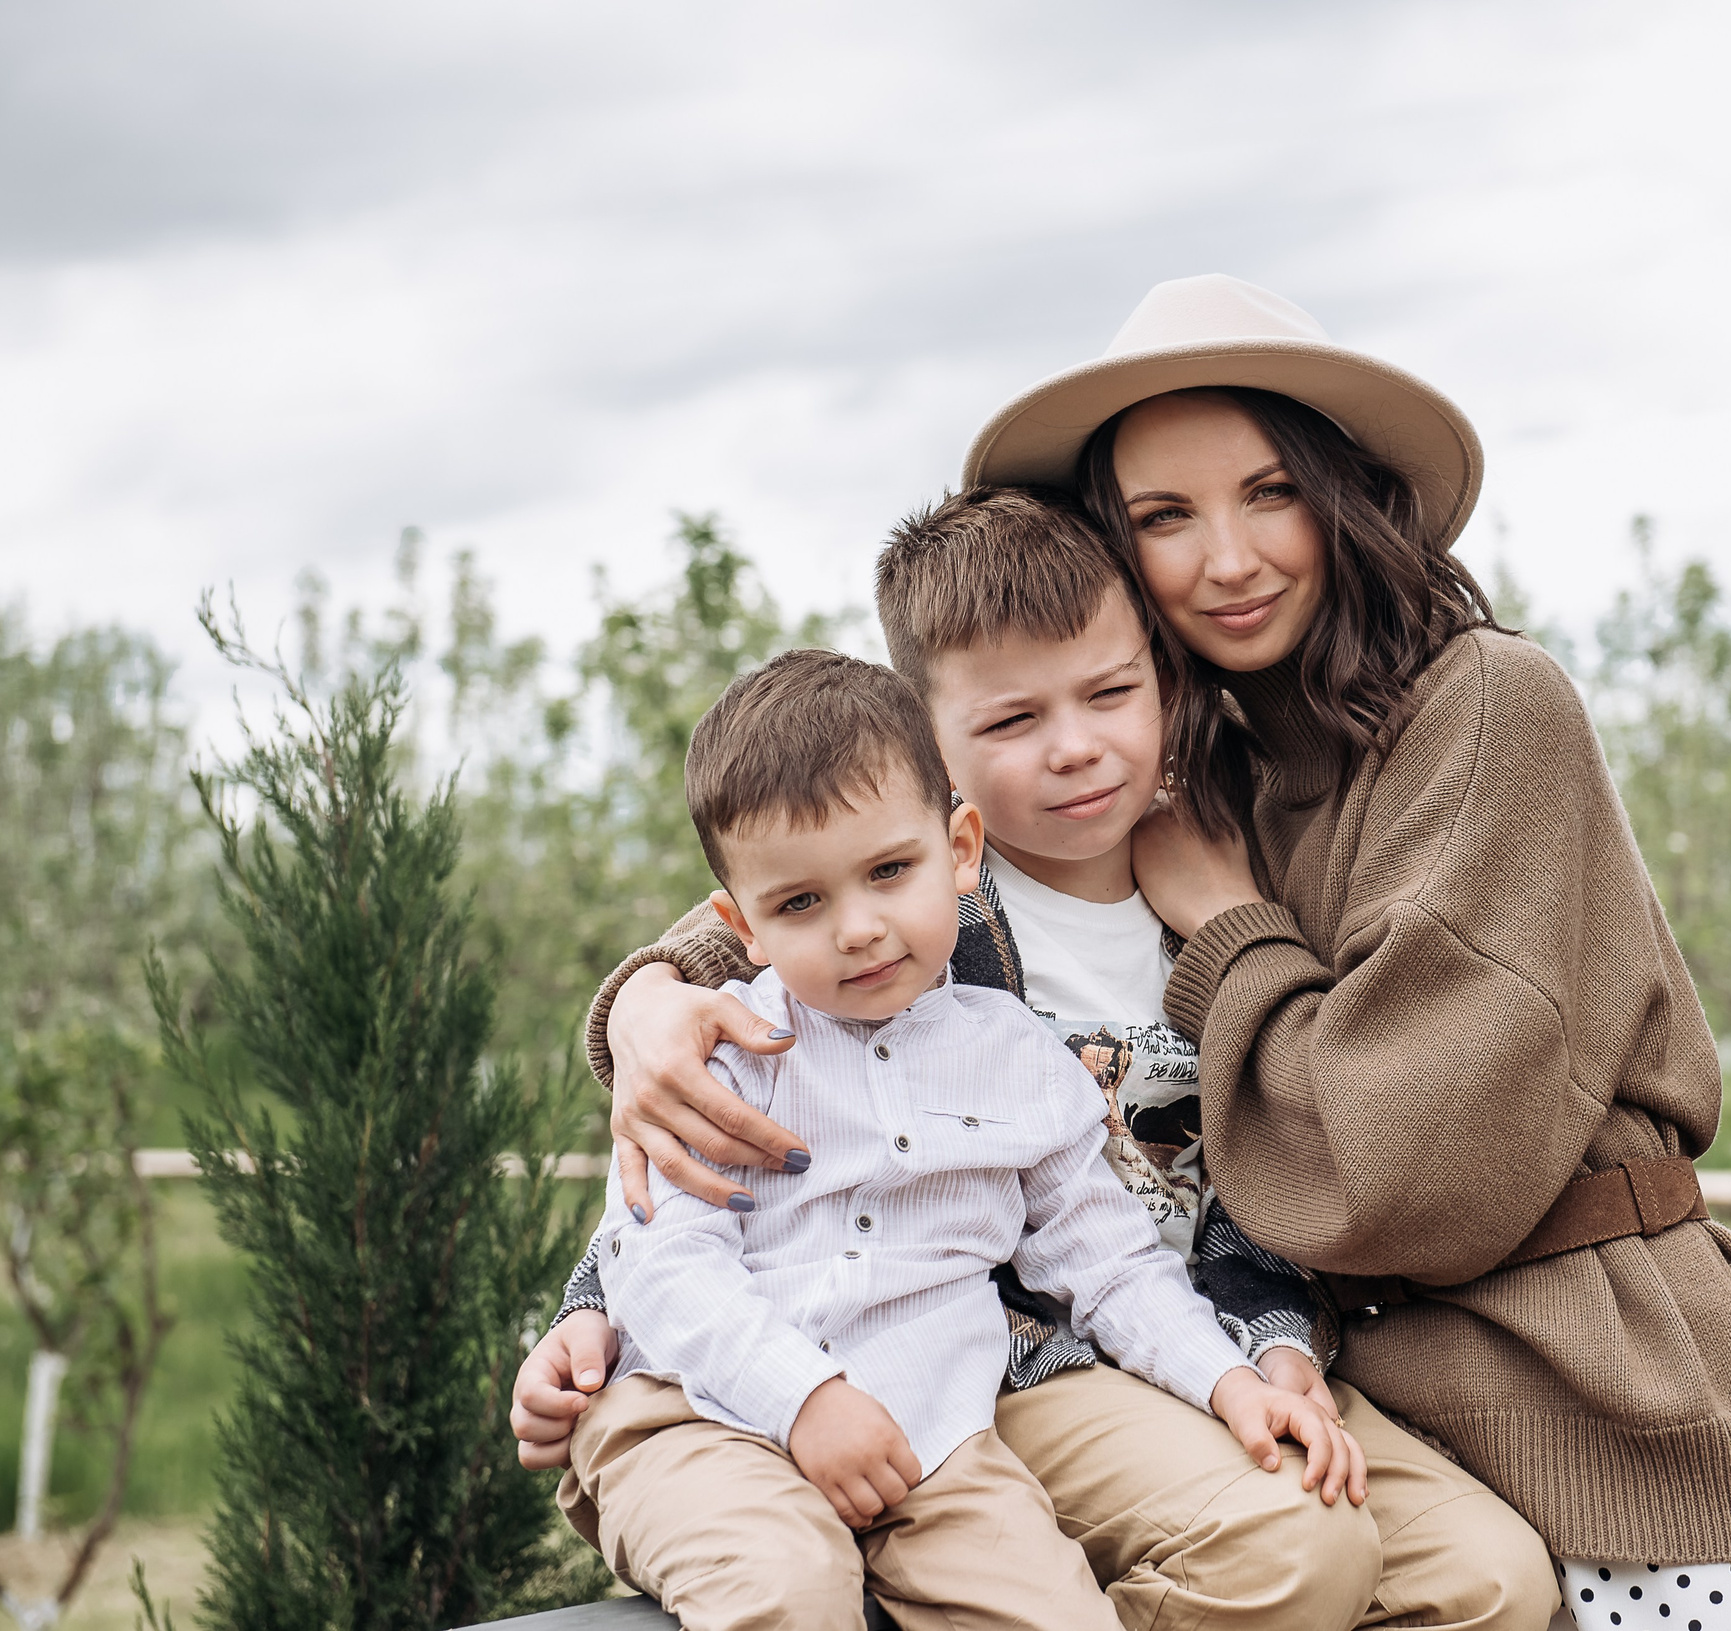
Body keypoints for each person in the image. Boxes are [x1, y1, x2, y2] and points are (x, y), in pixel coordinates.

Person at [517, 490, 1561, 1631]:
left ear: (1164, 680)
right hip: (1000, 1359)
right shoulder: (911, 916)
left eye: (1112, 692)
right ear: (932, 747)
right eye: (1013, 720)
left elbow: (1289, 1159)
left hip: (1178, 1328)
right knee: (1289, 1547)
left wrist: (1260, 1348)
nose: (1074, 747)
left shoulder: (1252, 867)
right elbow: (714, 1058)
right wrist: (595, 1282)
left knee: (1487, 1581)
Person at [564, 646, 1353, 1631]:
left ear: (959, 848)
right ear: (743, 923)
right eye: (801, 901)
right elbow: (663, 1257)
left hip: (932, 1428)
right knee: (788, 1594)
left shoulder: (1019, 1061)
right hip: (699, 1411)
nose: (858, 927)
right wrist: (802, 1396)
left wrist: (1227, 1378)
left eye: (889, 870)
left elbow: (1108, 1265)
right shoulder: (723, 1051)